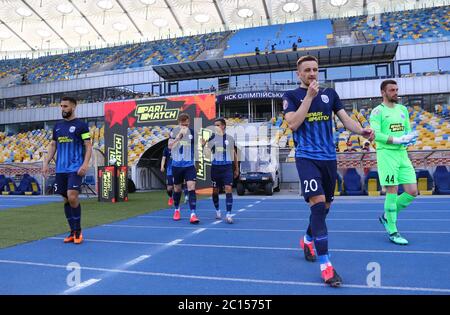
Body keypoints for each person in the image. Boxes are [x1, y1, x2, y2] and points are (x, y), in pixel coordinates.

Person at [283, 55, 374, 287]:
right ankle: (326, 266)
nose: (312, 73)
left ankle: (306, 240)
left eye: (315, 69)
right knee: (317, 202)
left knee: (324, 209)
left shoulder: (330, 94)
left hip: (329, 159)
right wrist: (308, 98)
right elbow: (293, 123)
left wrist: (361, 131)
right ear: (298, 74)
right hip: (306, 158)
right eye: (307, 70)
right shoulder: (291, 96)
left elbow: (345, 121)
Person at [369, 79, 418, 245]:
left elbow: (406, 131)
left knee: (412, 191)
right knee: (392, 190)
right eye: (392, 90)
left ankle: (386, 216)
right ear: (383, 92)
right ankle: (393, 230)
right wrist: (397, 140)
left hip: (402, 155)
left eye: (396, 89)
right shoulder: (377, 111)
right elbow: (375, 134)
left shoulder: (403, 109)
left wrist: (409, 138)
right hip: (387, 155)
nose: (396, 92)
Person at [42, 96, 92, 244]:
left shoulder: (81, 126)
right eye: (61, 106)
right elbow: (53, 145)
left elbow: (88, 146)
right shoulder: (57, 126)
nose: (62, 109)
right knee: (65, 198)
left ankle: (78, 231)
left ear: (73, 107)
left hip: (75, 168)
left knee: (72, 196)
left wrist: (85, 164)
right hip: (60, 169)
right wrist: (46, 162)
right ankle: (71, 232)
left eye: (65, 106)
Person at [202, 118, 239, 224]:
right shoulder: (212, 138)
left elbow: (234, 154)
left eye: (217, 125)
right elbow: (205, 150)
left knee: (228, 188)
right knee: (215, 191)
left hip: (227, 167)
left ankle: (228, 214)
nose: (215, 127)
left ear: (223, 126)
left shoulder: (230, 139)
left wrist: (236, 168)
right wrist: (204, 143)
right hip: (215, 168)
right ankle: (218, 210)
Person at [168, 113, 199, 224]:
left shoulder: (192, 133)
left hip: (189, 165)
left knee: (191, 187)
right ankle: (177, 210)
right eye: (182, 123)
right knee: (177, 189)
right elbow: (170, 147)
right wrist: (179, 136)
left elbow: (197, 147)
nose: (184, 125)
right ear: (179, 123)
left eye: (186, 123)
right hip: (176, 166)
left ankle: (193, 214)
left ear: (189, 122)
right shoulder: (173, 131)